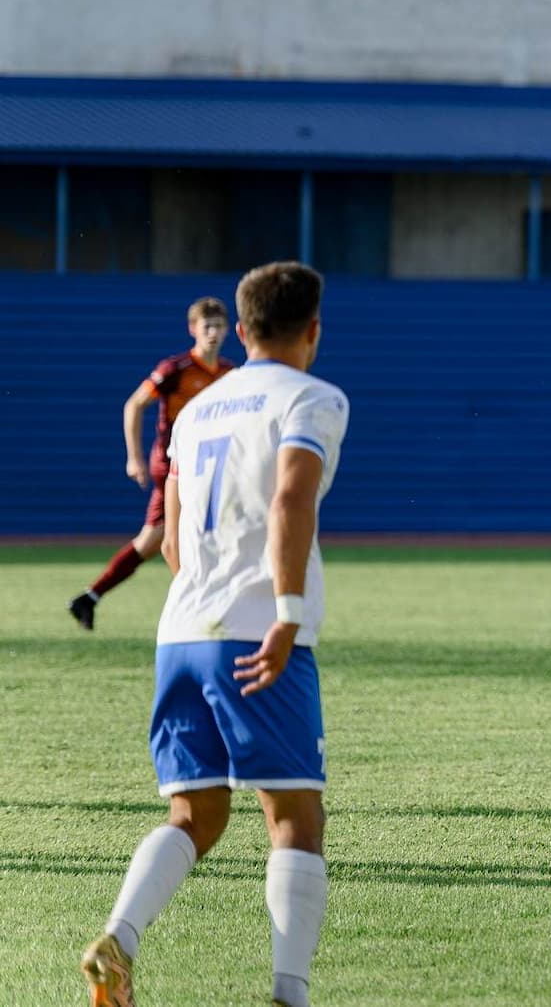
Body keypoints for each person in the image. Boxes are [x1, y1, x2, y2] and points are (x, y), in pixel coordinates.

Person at [81, 263, 348, 1007]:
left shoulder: (199, 407)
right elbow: (293, 495)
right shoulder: (313, 397)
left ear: (243, 326)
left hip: (180, 634)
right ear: (313, 330)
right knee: (294, 816)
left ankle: (120, 937)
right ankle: (288, 993)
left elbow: (167, 539)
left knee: (195, 814)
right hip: (256, 632)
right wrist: (288, 611)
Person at [69, 297, 236, 630]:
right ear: (193, 330)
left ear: (229, 330)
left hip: (207, 464)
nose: (213, 333)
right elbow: (134, 405)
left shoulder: (231, 374)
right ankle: (201, 602)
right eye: (207, 327)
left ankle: (89, 598)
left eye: (218, 326)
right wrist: (134, 457)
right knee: (193, 532)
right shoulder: (174, 370)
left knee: (152, 539)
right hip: (173, 463)